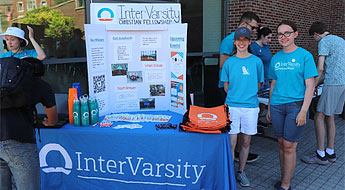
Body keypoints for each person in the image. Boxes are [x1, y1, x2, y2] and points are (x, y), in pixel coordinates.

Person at [266, 20, 318, 190]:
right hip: (277, 106)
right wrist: (268, 106)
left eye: (287, 33)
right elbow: (273, 84)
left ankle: (286, 185)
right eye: (280, 34)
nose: (283, 37)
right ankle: (283, 177)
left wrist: (304, 110)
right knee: (280, 143)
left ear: (295, 34)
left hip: (296, 106)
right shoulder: (276, 58)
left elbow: (310, 85)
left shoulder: (305, 56)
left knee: (289, 145)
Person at [221, 27, 264, 187]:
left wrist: (246, 94)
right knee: (231, 143)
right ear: (234, 42)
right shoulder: (229, 62)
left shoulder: (256, 61)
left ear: (249, 42)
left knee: (246, 142)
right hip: (232, 106)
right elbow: (226, 87)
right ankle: (231, 173)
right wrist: (238, 95)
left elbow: (259, 84)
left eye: (244, 40)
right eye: (239, 40)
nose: (241, 43)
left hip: (251, 107)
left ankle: (241, 172)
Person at [301, 21, 345, 165]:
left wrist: (312, 84)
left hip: (333, 83)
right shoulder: (340, 40)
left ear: (316, 33)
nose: (314, 40)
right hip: (342, 84)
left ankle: (321, 155)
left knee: (318, 116)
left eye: (313, 37)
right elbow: (331, 68)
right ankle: (330, 152)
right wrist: (319, 83)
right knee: (330, 117)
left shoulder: (324, 41)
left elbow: (320, 69)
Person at [251, 27, 273, 130]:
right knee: (257, 101)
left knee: (263, 103)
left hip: (267, 80)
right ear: (262, 36)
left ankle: (257, 120)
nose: (270, 40)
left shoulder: (266, 47)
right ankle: (252, 124)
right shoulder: (253, 47)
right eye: (268, 38)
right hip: (258, 80)